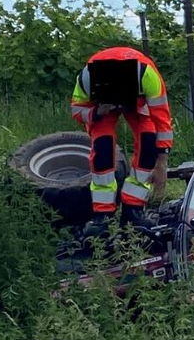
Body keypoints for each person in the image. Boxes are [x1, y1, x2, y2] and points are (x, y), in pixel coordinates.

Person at [70, 46, 174, 235]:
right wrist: (96, 112)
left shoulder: (147, 75)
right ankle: (103, 216)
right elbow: (77, 110)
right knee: (103, 150)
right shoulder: (86, 80)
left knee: (148, 143)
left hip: (138, 102)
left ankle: (132, 210)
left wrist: (162, 162)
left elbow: (161, 119)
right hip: (102, 107)